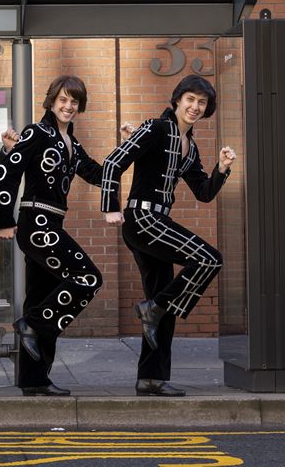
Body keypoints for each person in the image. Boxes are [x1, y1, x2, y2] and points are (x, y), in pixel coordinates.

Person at [0, 75, 131, 396]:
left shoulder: (74, 145)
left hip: (53, 225)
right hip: (35, 224)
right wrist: (3, 220)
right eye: (63, 99)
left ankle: (34, 380)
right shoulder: (36, 132)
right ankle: (33, 326)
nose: (68, 106)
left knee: (41, 299)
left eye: (74, 101)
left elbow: (100, 175)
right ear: (52, 100)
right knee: (87, 278)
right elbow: (8, 173)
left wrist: (127, 147)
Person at [101, 74, 236, 396]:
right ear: (177, 100)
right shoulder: (155, 128)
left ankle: (151, 377)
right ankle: (154, 307)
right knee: (209, 258)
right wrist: (109, 206)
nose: (195, 106)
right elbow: (112, 163)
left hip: (158, 222)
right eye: (190, 99)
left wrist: (221, 169)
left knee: (166, 306)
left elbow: (203, 193)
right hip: (141, 219)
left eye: (201, 103)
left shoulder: (190, 148)